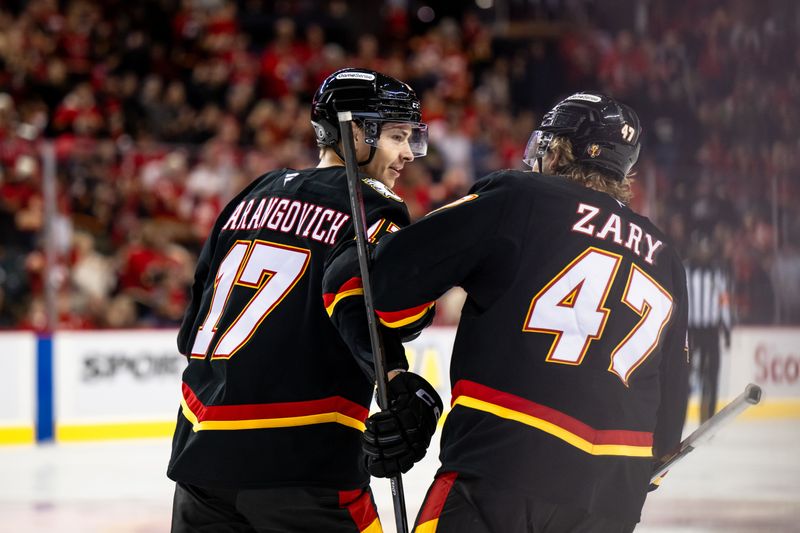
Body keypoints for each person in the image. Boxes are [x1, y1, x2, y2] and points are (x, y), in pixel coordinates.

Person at [363, 92, 691, 532]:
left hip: (502, 469)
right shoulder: (665, 256)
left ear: (557, 150)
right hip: (611, 500)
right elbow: (670, 414)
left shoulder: (521, 196)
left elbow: (387, 285)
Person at [167, 67, 439, 533]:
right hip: (304, 468)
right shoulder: (371, 207)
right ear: (355, 131)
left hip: (199, 463)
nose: (408, 153)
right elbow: (394, 314)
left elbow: (191, 331)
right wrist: (395, 379)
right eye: (397, 136)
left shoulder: (250, 196)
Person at [684, 232, 732, 422]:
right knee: (685, 375)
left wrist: (727, 327)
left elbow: (724, 301)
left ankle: (708, 419)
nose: (703, 253)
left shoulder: (717, 272)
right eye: (700, 249)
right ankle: (681, 416)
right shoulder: (686, 270)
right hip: (691, 331)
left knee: (711, 376)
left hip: (711, 331)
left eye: (706, 249)